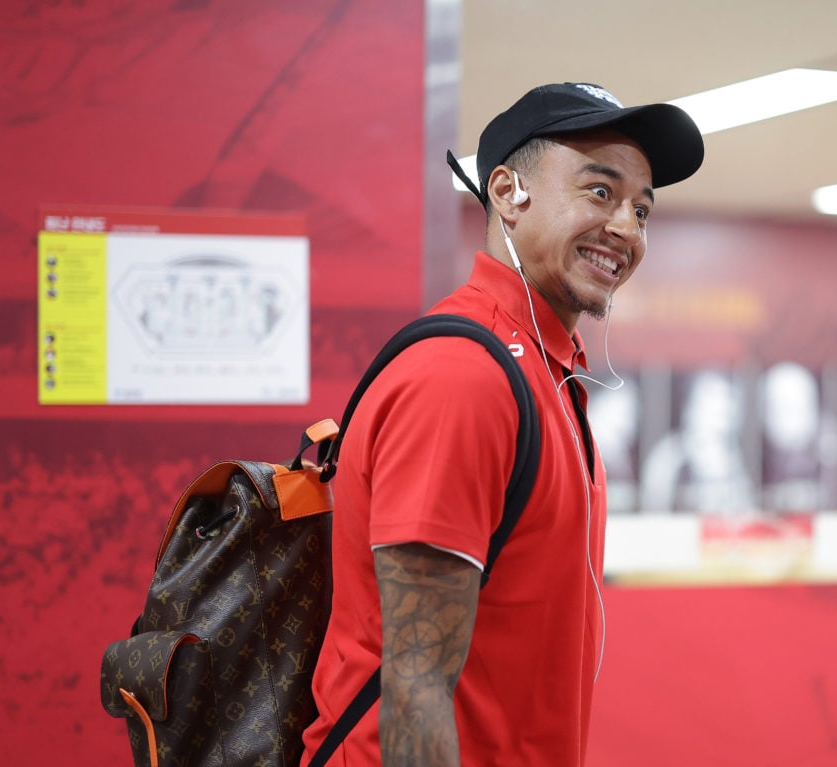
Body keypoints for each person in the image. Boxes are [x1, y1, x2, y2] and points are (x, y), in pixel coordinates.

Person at [301, 82, 703, 766]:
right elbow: (416, 683)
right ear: (509, 192)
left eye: (642, 209)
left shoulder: (543, 374)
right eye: (600, 192)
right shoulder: (463, 378)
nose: (627, 230)